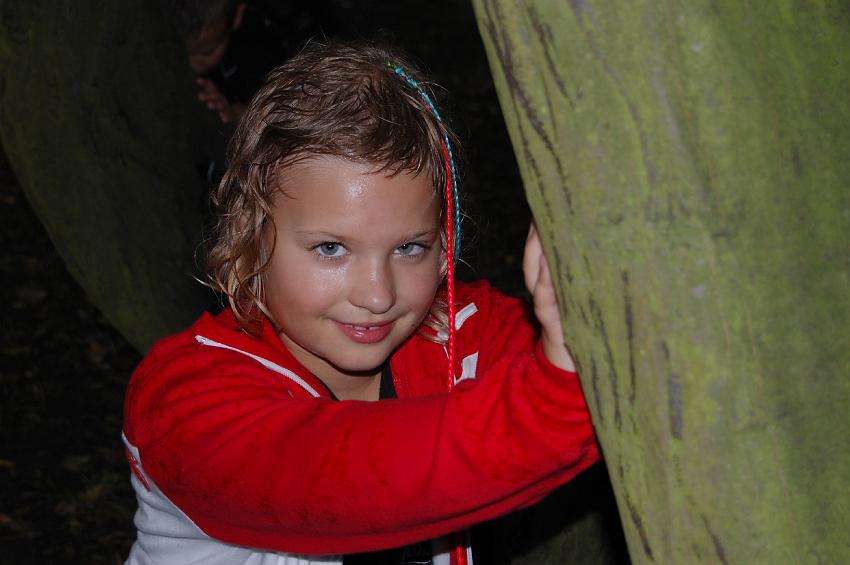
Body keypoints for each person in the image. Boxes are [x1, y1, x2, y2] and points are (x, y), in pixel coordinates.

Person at [122, 42, 599, 565]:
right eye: (331, 249)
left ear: (446, 246)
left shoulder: (467, 336)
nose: (377, 296)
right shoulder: (184, 405)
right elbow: (355, 478)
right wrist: (562, 390)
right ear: (248, 239)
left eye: (409, 248)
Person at [169, 0, 289, 125]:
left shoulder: (263, 51)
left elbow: (275, 114)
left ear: (237, 15)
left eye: (206, 53)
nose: (191, 63)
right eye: (181, 53)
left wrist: (234, 114)